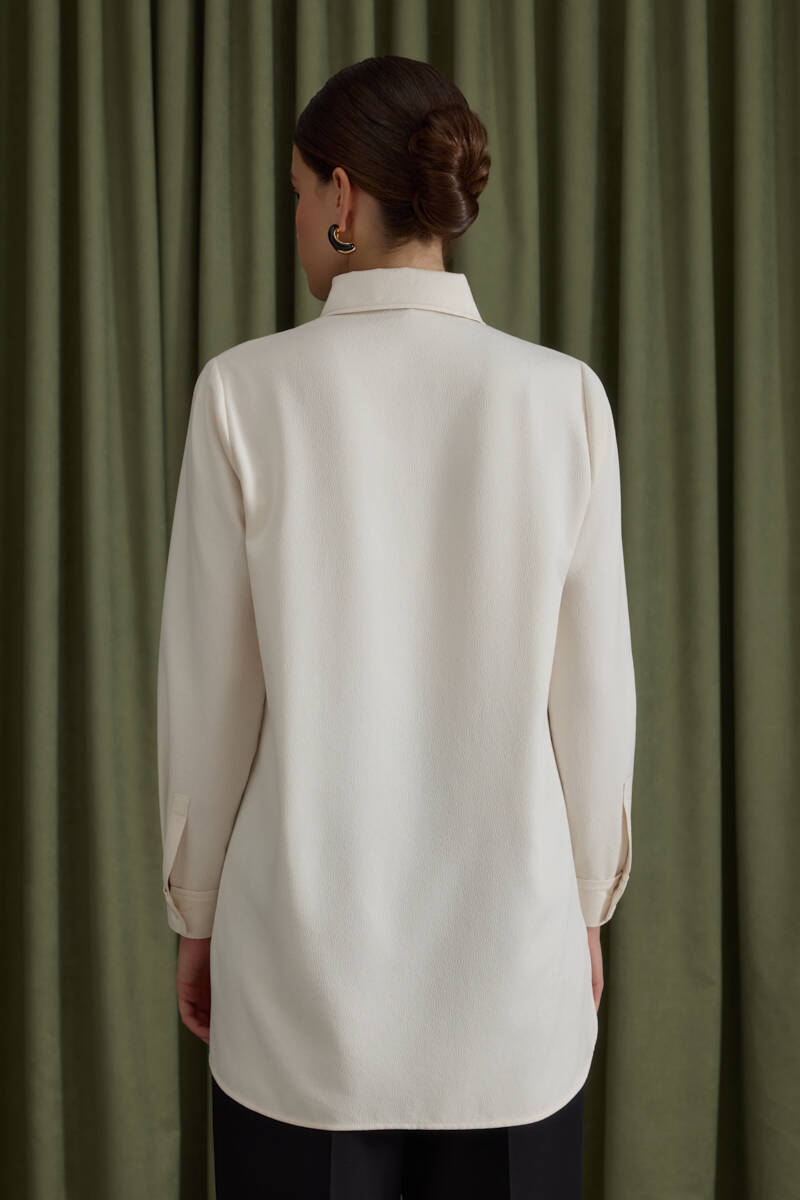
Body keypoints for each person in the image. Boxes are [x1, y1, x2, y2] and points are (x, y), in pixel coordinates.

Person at [157, 53, 636, 1199]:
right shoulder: (560, 396)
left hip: (297, 982)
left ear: (339, 195)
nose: (293, 217)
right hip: (510, 978)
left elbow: (210, 697)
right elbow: (594, 695)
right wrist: (584, 905)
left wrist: (197, 911)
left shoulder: (243, 393)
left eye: (293, 192)